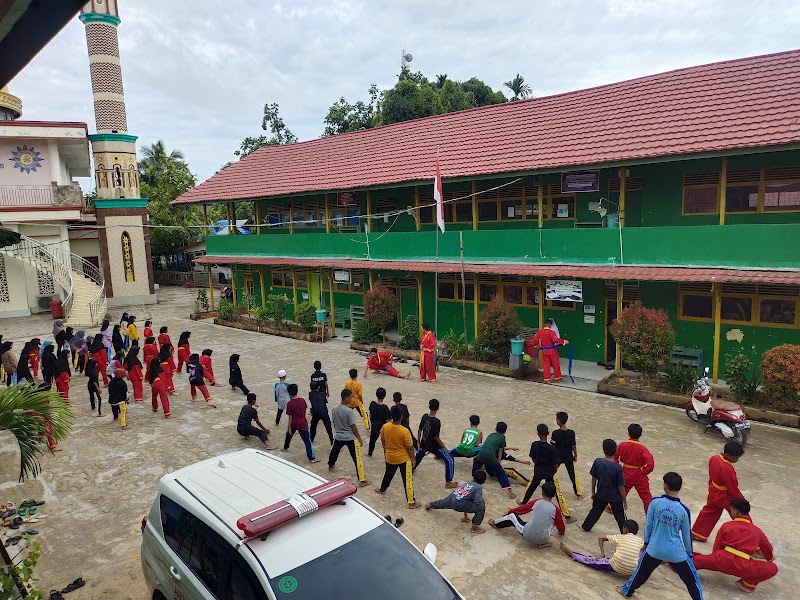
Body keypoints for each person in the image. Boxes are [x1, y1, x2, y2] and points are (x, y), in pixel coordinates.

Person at [620, 472, 703, 600]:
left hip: (655, 549)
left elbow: (648, 525)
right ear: (679, 488)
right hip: (675, 553)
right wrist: (689, 554)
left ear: (665, 486)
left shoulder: (655, 502)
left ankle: (626, 591)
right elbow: (687, 535)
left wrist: (646, 542)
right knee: (692, 581)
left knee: (641, 573)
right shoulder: (683, 510)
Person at [693, 497, 778, 593]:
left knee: (692, 559)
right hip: (744, 566)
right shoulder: (758, 531)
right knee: (773, 568)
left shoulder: (727, 525)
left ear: (736, 511)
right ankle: (747, 584)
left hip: (721, 559)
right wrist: (769, 559)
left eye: (731, 509)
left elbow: (717, 548)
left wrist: (716, 561)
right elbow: (768, 548)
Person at [692, 442, 745, 543]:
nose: (736, 460)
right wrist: (741, 500)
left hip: (713, 491)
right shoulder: (727, 468)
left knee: (709, 512)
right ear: (727, 455)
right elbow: (732, 487)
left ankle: (697, 533)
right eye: (735, 458)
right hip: (724, 495)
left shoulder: (715, 458)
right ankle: (748, 539)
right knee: (742, 515)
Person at [489, 481, 565, 548]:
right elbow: (561, 526)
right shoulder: (556, 509)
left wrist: (510, 511)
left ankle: (495, 523)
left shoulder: (537, 502)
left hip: (528, 535)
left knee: (512, 516)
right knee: (552, 521)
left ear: (542, 492)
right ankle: (542, 543)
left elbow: (523, 509)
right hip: (543, 538)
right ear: (554, 494)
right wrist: (561, 532)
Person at [560, 519, 644, 577]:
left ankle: (572, 554)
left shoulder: (621, 537)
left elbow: (601, 538)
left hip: (616, 566)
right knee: (641, 551)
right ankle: (630, 573)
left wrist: (602, 553)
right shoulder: (640, 541)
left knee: (592, 560)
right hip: (632, 570)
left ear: (625, 530)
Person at [375, 405, 420, 508]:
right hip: (403, 458)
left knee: (388, 474)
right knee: (407, 480)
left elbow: (383, 440)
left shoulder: (385, 426)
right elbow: (410, 447)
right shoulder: (404, 431)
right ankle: (411, 502)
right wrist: (413, 458)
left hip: (390, 456)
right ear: (401, 417)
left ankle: (382, 489)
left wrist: (385, 451)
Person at [580, 439, 627, 533]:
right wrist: (624, 500)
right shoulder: (617, 467)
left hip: (601, 494)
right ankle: (625, 534)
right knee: (620, 516)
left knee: (595, 512)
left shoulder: (598, 462)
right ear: (615, 451)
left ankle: (586, 527)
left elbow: (594, 478)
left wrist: (593, 492)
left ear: (604, 450)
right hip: (615, 497)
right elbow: (621, 486)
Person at [327, 389, 371, 487]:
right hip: (350, 437)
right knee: (357, 458)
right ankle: (362, 480)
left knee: (334, 451)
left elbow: (334, 422)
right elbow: (353, 427)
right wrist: (359, 438)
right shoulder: (348, 411)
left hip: (339, 435)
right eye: (350, 397)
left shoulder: (334, 409)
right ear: (346, 398)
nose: (352, 399)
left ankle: (331, 465)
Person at [415, 399, 457, 489]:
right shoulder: (436, 421)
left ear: (429, 407)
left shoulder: (424, 416)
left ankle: (411, 469)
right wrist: (444, 447)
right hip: (434, 446)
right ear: (438, 408)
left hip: (424, 444)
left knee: (418, 456)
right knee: (449, 459)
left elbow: (419, 430)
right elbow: (436, 437)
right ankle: (448, 482)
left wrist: (419, 442)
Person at [614, 423, 655, 514]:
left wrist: (618, 468)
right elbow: (650, 463)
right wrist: (644, 471)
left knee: (620, 492)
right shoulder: (642, 449)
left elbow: (615, 456)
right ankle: (650, 514)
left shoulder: (622, 445)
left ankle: (611, 508)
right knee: (646, 496)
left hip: (625, 473)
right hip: (639, 475)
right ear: (640, 435)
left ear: (628, 433)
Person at [472, 422, 516, 499]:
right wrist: (498, 461)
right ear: (505, 431)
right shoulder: (502, 438)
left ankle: (473, 479)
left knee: (476, 462)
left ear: (495, 429)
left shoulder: (491, 435)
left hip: (481, 454)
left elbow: (486, 445)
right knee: (501, 473)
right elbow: (500, 450)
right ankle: (510, 492)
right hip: (491, 457)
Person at [283, 383, 319, 463]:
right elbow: (305, 410)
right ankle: (312, 458)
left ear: (289, 393)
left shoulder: (289, 403)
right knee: (307, 441)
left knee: (288, 435)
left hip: (293, 423)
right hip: (302, 422)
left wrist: (289, 427)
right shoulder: (302, 400)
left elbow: (290, 416)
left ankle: (285, 448)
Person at [552, 411, 582, 497]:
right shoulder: (571, 433)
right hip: (568, 456)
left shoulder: (555, 433)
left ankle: (550, 489)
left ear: (559, 421)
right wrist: (575, 455)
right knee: (572, 475)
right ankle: (578, 493)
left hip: (558, 457)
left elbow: (553, 447)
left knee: (552, 472)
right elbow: (573, 446)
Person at [532, 318, 568, 383]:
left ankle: (547, 379)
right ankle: (558, 378)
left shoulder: (540, 332)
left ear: (544, 325)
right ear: (550, 325)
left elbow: (535, 338)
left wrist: (537, 345)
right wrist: (564, 341)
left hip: (544, 351)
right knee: (556, 364)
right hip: (553, 351)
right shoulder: (551, 332)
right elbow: (555, 340)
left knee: (546, 365)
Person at [367, 387, 391, 456]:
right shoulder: (385, 408)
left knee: (372, 440)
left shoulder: (372, 404)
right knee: (385, 442)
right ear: (384, 396)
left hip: (375, 425)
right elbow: (387, 420)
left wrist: (372, 423)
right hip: (383, 427)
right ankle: (386, 454)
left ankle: (370, 453)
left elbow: (371, 415)